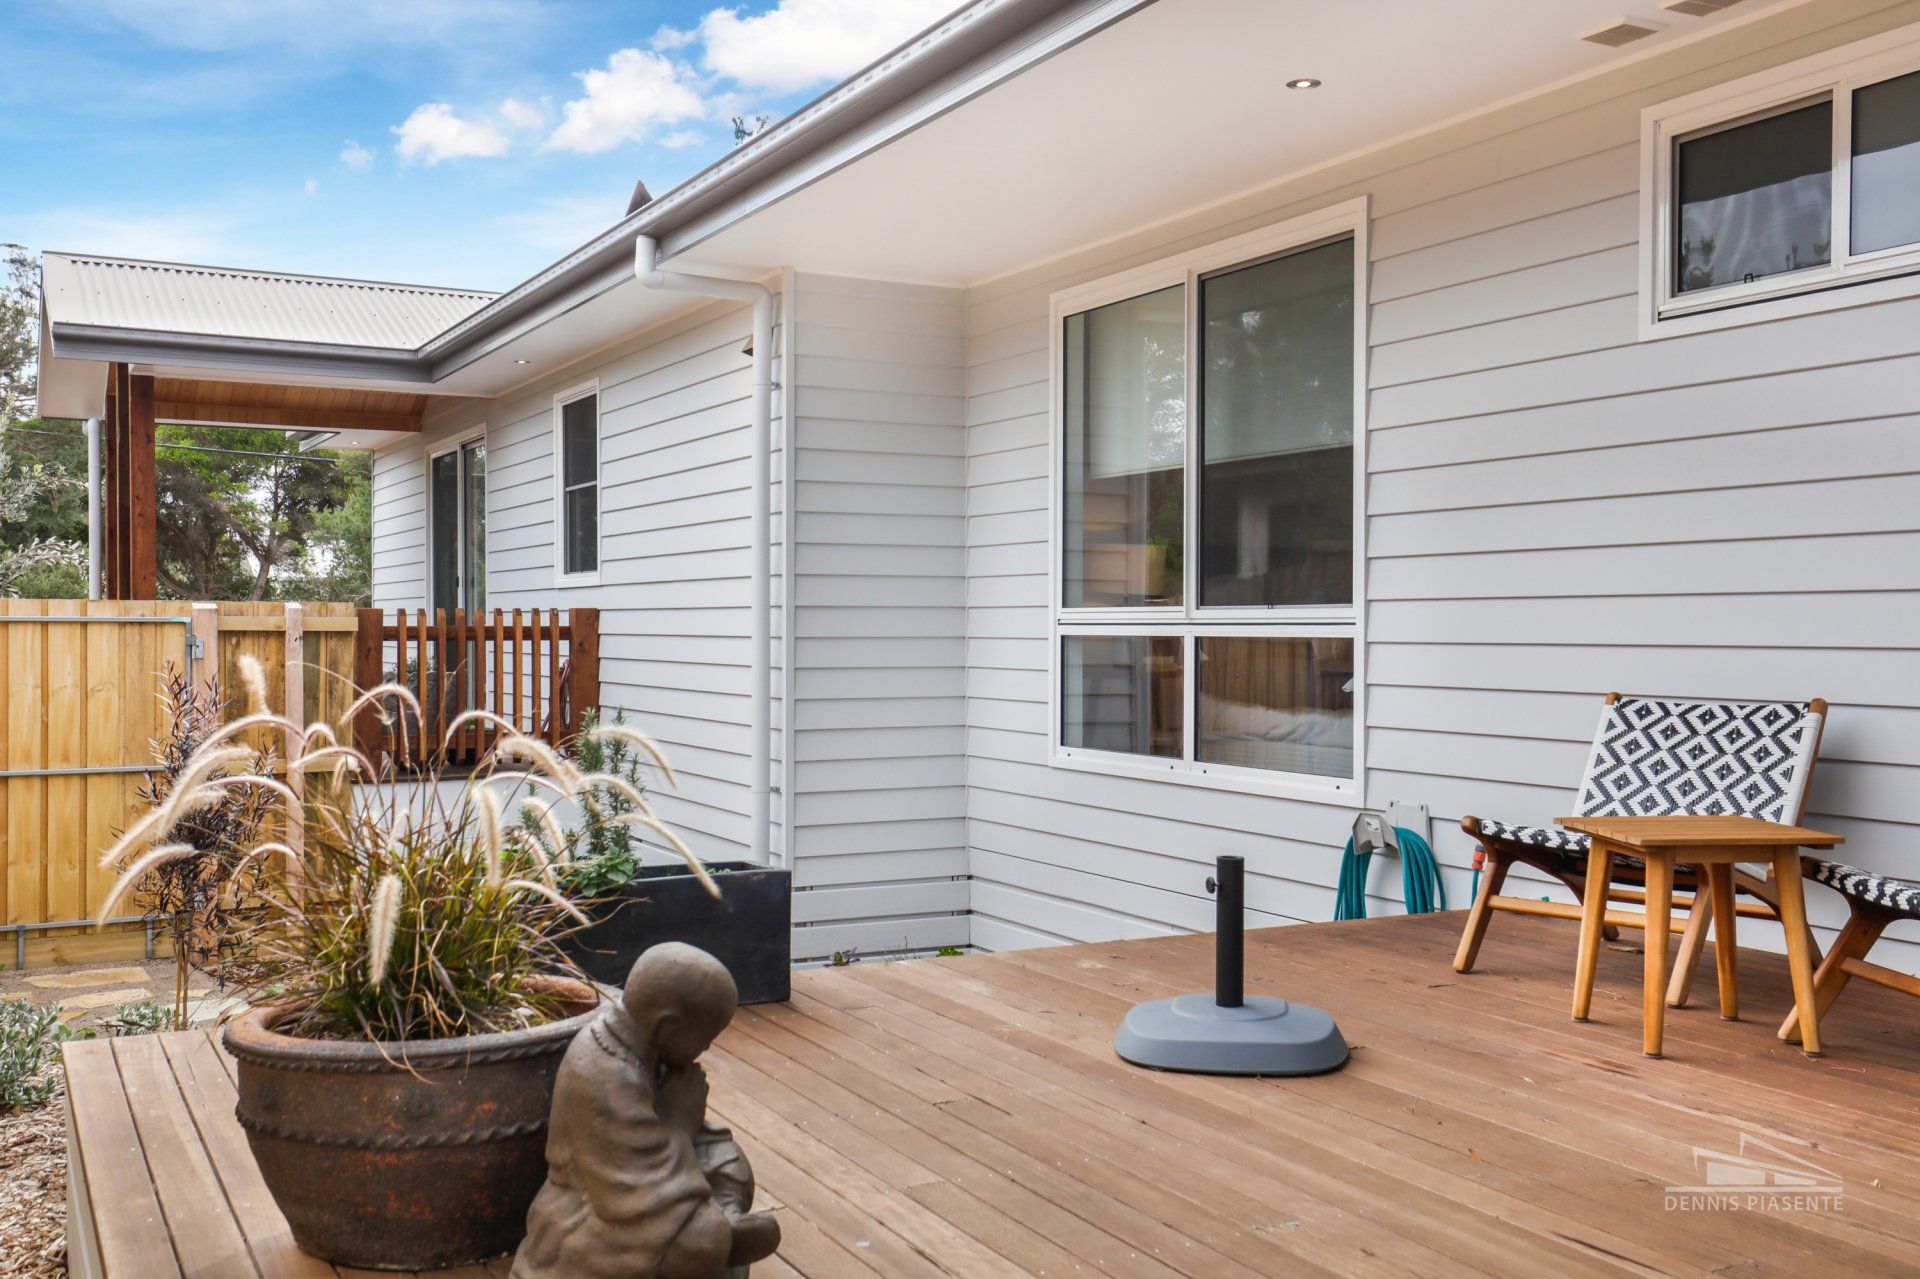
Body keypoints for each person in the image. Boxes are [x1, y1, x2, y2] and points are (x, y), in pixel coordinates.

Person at [513, 943, 782, 1279]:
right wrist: (681, 1123)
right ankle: (722, 1233)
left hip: (656, 1182)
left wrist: (686, 1127)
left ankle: (723, 1223)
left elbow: (662, 1142)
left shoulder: (646, 1052)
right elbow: (631, 1192)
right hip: (595, 1218)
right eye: (704, 1037)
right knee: (703, 1239)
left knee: (728, 1159)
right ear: (667, 1025)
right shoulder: (606, 1072)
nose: (707, 1047)